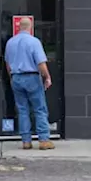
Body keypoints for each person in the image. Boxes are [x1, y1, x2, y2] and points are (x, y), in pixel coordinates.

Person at [4, 17, 55, 150]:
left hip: (16, 77)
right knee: (39, 109)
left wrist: (12, 77)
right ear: (30, 27)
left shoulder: (10, 43)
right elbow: (41, 63)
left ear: (19, 27)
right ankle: (43, 140)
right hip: (31, 77)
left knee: (22, 110)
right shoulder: (34, 42)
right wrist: (47, 77)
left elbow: (8, 65)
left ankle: (26, 141)